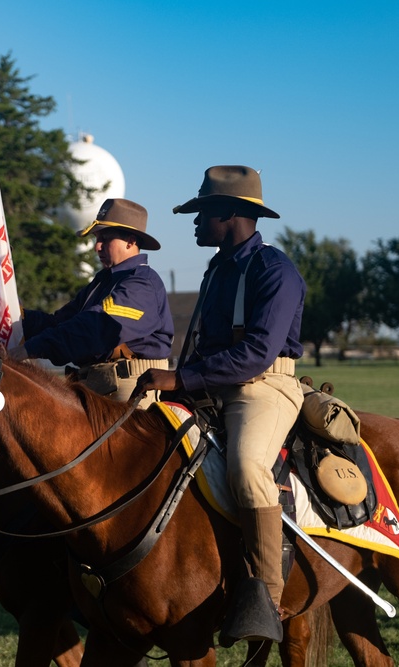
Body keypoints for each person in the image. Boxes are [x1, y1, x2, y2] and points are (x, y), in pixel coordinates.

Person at [133, 165, 306, 645]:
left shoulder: (276, 270)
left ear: (229, 213)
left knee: (248, 467)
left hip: (262, 388)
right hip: (209, 387)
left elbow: (255, 353)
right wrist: (177, 386)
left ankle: (266, 597)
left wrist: (181, 377)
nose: (193, 223)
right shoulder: (215, 269)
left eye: (201, 213)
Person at [6, 198, 173, 407]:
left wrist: (30, 349)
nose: (97, 247)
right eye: (97, 239)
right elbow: (59, 323)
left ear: (130, 241)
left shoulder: (142, 285)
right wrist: (15, 315)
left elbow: (95, 327)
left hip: (132, 392)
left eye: (105, 239)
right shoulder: (103, 281)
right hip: (97, 388)